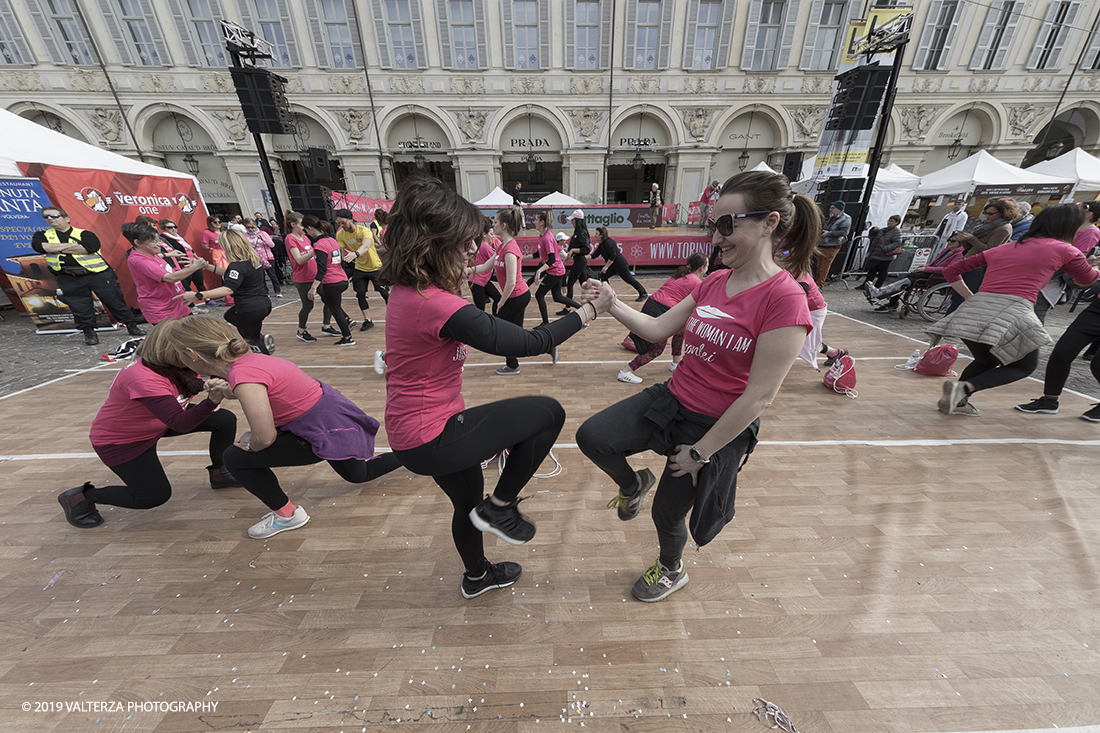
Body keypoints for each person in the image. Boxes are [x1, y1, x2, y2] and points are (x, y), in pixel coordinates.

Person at [576, 169, 820, 603]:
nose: (717, 236)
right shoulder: (713, 281)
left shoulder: (785, 298)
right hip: (673, 398)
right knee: (593, 437)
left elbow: (760, 396)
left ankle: (672, 568)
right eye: (713, 224)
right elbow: (655, 329)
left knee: (667, 515)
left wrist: (700, 453)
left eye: (729, 224)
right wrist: (612, 304)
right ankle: (632, 483)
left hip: (714, 427)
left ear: (770, 224)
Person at [378, 176, 613, 598]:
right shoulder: (435, 305)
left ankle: (477, 577)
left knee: (468, 506)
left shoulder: (409, 290)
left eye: (476, 237)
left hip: (415, 431)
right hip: (429, 435)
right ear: (434, 244)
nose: (474, 247)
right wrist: (593, 310)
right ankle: (502, 507)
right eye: (465, 240)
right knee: (547, 414)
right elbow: (533, 343)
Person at [171, 315, 401, 539]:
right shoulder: (251, 359)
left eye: (178, 353)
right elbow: (252, 387)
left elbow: (264, 437)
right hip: (332, 419)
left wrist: (250, 443)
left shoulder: (243, 376)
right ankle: (414, 453)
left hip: (318, 431)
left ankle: (287, 515)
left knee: (235, 457)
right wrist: (225, 390)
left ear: (191, 354)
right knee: (360, 475)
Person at [57, 320, 240, 529]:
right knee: (153, 496)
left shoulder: (173, 366)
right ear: (174, 351)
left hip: (156, 422)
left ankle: (220, 473)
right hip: (122, 441)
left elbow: (201, 380)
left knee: (224, 420)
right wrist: (212, 400)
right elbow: (179, 424)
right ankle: (80, 497)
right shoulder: (143, 377)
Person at [928, 203, 1100, 417]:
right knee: (1024, 366)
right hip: (1013, 310)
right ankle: (964, 388)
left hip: (976, 308)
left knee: (986, 360)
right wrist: (1093, 267)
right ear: (1069, 226)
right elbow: (1087, 280)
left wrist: (969, 296)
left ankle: (958, 401)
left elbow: (953, 270)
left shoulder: (1006, 247)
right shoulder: (1066, 250)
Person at [31, 206, 145, 345]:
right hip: (68, 276)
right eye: (46, 216)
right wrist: (74, 247)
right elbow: (41, 247)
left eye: (54, 216)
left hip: (98, 274)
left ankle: (131, 326)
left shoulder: (85, 233)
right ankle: (89, 333)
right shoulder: (42, 235)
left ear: (66, 218)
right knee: (79, 307)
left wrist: (56, 247)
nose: (49, 219)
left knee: (115, 301)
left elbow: (90, 247)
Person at [177, 229, 273, 355]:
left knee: (251, 341)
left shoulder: (237, 265)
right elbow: (230, 275)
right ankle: (258, 338)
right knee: (230, 316)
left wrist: (198, 295)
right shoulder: (252, 260)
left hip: (249, 308)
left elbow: (228, 288)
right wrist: (205, 265)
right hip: (263, 304)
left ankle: (265, 361)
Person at [616, 253, 708, 384]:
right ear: (701, 268)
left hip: (652, 304)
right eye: (707, 266)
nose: (707, 269)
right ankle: (625, 372)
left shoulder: (681, 274)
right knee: (656, 350)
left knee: (679, 331)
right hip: (661, 310)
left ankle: (675, 364)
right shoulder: (697, 282)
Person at [469, 208, 530, 375]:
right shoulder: (502, 247)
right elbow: (484, 267)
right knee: (516, 332)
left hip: (517, 295)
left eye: (495, 222)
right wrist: (466, 271)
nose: (492, 225)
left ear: (503, 225)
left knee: (500, 330)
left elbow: (510, 282)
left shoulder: (510, 249)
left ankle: (513, 364)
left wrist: (501, 302)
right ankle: (514, 363)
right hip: (514, 296)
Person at [122, 222, 206, 325]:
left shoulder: (151, 253)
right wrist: (195, 267)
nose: (160, 244)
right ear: (138, 243)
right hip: (162, 311)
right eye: (154, 241)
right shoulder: (140, 260)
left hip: (178, 306)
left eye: (159, 240)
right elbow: (170, 278)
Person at [947, 197, 1018, 314]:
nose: (987, 216)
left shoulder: (1003, 228)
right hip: (968, 263)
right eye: (986, 213)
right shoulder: (985, 225)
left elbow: (990, 250)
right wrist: (964, 240)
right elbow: (970, 248)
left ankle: (952, 325)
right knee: (956, 297)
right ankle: (947, 323)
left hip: (978, 268)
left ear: (1003, 213)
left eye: (991, 214)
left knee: (963, 299)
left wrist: (972, 238)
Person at [864, 232, 965, 312]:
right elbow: (933, 263)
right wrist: (923, 266)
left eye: (953, 241)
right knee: (907, 278)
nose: (949, 242)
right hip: (931, 272)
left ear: (959, 243)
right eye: (949, 240)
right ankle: (887, 298)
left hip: (938, 277)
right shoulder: (946, 251)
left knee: (909, 279)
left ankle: (881, 293)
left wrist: (925, 269)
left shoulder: (959, 254)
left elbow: (947, 269)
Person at [301, 215, 355, 346]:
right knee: (330, 303)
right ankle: (346, 320)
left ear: (310, 228)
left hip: (331, 281)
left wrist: (313, 287)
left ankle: (347, 337)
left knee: (335, 309)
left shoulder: (320, 245)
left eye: (306, 230)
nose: (306, 233)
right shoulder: (332, 240)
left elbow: (322, 269)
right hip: (341, 278)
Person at [334, 208, 388, 332]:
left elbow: (366, 245)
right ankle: (367, 320)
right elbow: (342, 251)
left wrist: (355, 254)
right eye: (338, 223)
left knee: (384, 293)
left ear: (351, 220)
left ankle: (396, 318)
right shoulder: (340, 234)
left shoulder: (364, 231)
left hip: (375, 266)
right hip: (360, 268)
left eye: (343, 222)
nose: (341, 226)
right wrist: (344, 257)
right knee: (360, 294)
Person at [530, 211, 581, 325]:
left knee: (539, 295)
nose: (534, 222)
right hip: (558, 270)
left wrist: (539, 271)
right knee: (557, 297)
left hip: (555, 271)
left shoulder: (547, 237)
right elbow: (540, 252)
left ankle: (545, 323)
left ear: (542, 222)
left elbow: (551, 259)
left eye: (536, 220)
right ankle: (582, 308)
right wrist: (526, 257)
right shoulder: (542, 235)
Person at [284, 211, 319, 343]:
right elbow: (299, 259)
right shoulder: (290, 238)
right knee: (308, 305)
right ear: (293, 224)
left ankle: (327, 326)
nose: (304, 227)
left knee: (329, 299)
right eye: (301, 224)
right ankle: (301, 330)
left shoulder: (305, 237)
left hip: (315, 275)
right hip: (303, 278)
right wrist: (313, 251)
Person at [593, 226, 648, 301]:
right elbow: (593, 255)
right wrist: (581, 257)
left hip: (620, 265)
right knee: (604, 276)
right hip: (612, 266)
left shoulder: (609, 243)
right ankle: (608, 295)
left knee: (629, 280)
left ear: (601, 235)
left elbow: (613, 256)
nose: (595, 235)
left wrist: (606, 267)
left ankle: (643, 293)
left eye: (596, 233)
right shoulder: (601, 245)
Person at [159, 218, 205, 295]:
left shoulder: (179, 238)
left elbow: (190, 250)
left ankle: (208, 300)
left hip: (193, 261)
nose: (173, 229)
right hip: (182, 263)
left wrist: (196, 258)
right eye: (170, 227)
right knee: (186, 285)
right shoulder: (164, 238)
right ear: (164, 229)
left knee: (199, 281)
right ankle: (191, 305)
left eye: (175, 227)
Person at [814, 201, 851, 287]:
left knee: (824, 267)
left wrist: (829, 233)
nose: (830, 210)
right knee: (819, 265)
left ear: (839, 209)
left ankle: (819, 285)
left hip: (832, 246)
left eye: (833, 208)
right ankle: (816, 283)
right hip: (822, 243)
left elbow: (844, 232)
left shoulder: (846, 218)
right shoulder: (831, 217)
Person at [860, 215, 903, 289]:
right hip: (876, 254)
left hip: (885, 256)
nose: (889, 222)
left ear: (897, 222)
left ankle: (877, 287)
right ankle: (865, 285)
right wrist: (873, 230)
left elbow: (897, 243)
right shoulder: (883, 230)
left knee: (882, 272)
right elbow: (872, 236)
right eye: (889, 220)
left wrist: (885, 248)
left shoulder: (896, 231)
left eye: (891, 221)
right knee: (871, 271)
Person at [468, 218, 501, 315]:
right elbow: (497, 262)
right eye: (491, 234)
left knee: (497, 298)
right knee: (480, 310)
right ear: (484, 234)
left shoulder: (485, 245)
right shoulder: (485, 247)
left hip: (484, 280)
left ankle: (495, 321)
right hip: (477, 282)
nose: (493, 236)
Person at [244, 218, 282, 297]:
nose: (250, 229)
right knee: (261, 277)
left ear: (256, 226)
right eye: (248, 228)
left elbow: (272, 245)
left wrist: (263, 239)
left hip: (267, 256)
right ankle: (265, 292)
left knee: (272, 275)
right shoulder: (245, 235)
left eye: (252, 227)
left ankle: (277, 291)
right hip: (255, 258)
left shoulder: (263, 233)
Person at [563, 209, 592, 305]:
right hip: (578, 261)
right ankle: (591, 302)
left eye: (572, 220)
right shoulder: (577, 232)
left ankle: (568, 306)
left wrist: (573, 250)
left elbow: (586, 249)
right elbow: (573, 248)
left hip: (580, 262)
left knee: (570, 283)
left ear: (577, 220)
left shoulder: (582, 232)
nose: (571, 222)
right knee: (584, 284)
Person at [200, 215, 229, 303]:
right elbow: (204, 245)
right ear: (210, 223)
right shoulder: (207, 233)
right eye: (215, 222)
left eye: (219, 222)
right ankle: (227, 296)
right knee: (224, 273)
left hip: (228, 253)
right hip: (218, 254)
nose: (217, 224)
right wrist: (214, 249)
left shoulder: (223, 232)